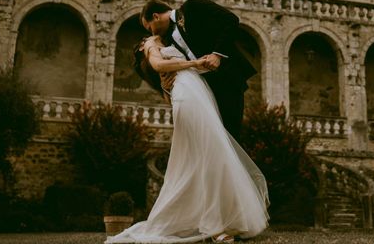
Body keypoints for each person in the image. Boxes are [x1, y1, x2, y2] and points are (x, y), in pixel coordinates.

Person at [105, 32, 269, 243]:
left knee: (210, 155)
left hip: (198, 94)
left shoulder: (169, 40)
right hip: (188, 96)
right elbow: (158, 66)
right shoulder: (149, 44)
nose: (152, 31)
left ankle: (221, 220)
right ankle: (215, 225)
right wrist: (194, 63)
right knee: (208, 154)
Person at [139, 0, 256, 141]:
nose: (152, 33)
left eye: (149, 28)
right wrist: (165, 86)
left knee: (230, 135)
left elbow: (231, 20)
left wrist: (217, 54)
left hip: (227, 79)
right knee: (210, 138)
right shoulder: (167, 41)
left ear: (156, 16)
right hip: (203, 90)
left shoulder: (193, 6)